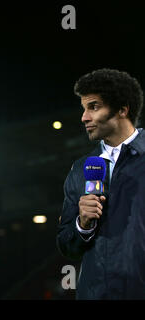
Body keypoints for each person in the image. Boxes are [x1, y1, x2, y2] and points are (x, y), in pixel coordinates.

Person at [57, 68, 145, 299]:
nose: (84, 117)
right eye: (84, 108)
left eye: (93, 107)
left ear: (122, 109)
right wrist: (82, 224)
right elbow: (67, 246)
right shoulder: (80, 169)